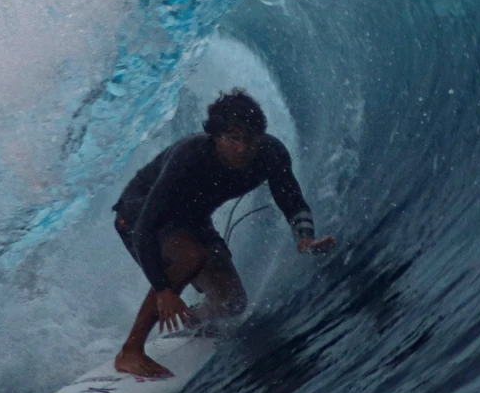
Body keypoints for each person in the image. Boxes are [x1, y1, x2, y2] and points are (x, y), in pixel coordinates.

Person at [111, 88, 335, 378]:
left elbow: (290, 198)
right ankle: (130, 351)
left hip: (192, 222)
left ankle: (193, 320)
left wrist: (304, 237)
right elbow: (144, 229)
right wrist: (164, 290)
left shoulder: (270, 154)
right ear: (215, 137)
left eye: (248, 139)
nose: (242, 148)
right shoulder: (189, 157)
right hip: (137, 217)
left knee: (232, 302)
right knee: (192, 256)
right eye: (232, 139)